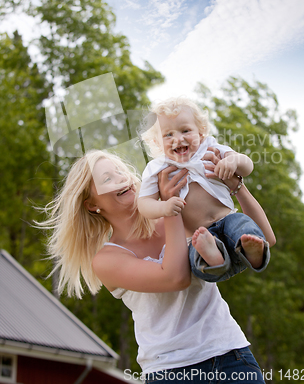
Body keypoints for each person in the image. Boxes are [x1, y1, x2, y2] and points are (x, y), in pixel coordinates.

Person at [40, 148, 270, 383]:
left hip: (230, 354)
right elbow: (175, 278)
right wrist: (170, 208)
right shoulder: (107, 260)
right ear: (91, 205)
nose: (122, 178)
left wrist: (237, 186)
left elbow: (264, 237)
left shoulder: (174, 214)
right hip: (171, 371)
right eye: (107, 179)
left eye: (120, 172)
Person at [138, 97, 275, 282]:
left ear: (201, 132)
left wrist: (233, 161)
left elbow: (247, 165)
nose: (178, 138)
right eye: (168, 135)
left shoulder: (211, 148)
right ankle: (213, 258)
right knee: (195, 254)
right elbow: (144, 204)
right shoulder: (157, 168)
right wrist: (164, 207)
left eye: (185, 130)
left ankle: (253, 252)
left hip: (228, 221)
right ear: (156, 142)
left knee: (243, 224)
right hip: (200, 233)